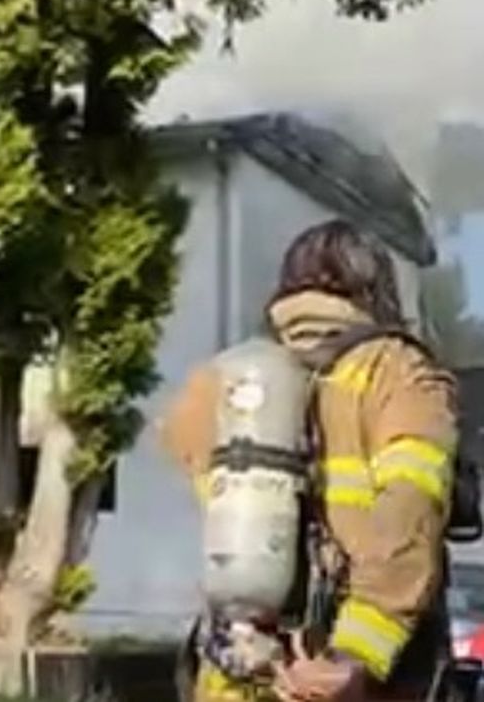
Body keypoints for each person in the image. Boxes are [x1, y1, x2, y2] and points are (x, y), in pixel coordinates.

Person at [161, 219, 458, 702]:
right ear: (377, 291)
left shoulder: (228, 379)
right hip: (336, 675)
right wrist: (355, 656)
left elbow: (177, 438)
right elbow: (407, 518)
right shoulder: (396, 372)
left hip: (238, 671)